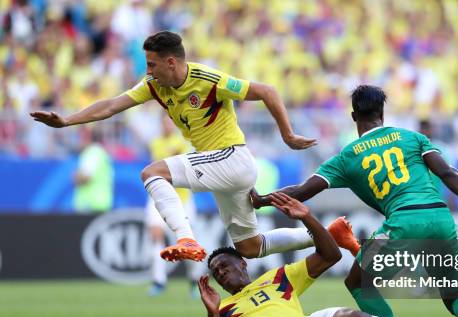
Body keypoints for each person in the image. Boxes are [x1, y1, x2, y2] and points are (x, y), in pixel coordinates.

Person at [251, 85, 458, 317]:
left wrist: (261, 200)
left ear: (354, 116)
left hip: (402, 222)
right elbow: (448, 172)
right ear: (382, 113)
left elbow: (302, 191)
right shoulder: (413, 138)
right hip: (441, 218)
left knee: (358, 283)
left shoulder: (347, 157)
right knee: (456, 295)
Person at [31, 30, 324, 263]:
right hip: (222, 167)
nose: (148, 70)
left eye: (151, 64)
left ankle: (186, 238)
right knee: (250, 247)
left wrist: (287, 134)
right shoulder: (153, 85)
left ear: (171, 62)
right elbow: (110, 106)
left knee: (152, 173)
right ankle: (325, 235)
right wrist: (67, 121)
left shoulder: (208, 80)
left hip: (232, 157)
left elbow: (266, 91)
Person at [199, 192, 458, 317]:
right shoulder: (224, 310)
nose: (220, 273)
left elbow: (331, 255)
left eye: (224, 266)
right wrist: (212, 313)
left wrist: (307, 217)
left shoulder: (277, 278)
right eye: (215, 273)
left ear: (243, 264)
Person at [146, 116, 201, 297]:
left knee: (187, 241)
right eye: (164, 122)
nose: (166, 125)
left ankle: (194, 281)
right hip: (159, 198)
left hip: (182, 199)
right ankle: (159, 281)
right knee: (156, 236)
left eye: (169, 121)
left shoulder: (182, 142)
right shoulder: (155, 143)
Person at [73, 126, 113, 213]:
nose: (78, 140)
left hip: (91, 206)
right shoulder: (99, 151)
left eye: (81, 137)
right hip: (98, 204)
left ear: (87, 137)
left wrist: (75, 176)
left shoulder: (93, 152)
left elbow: (85, 177)